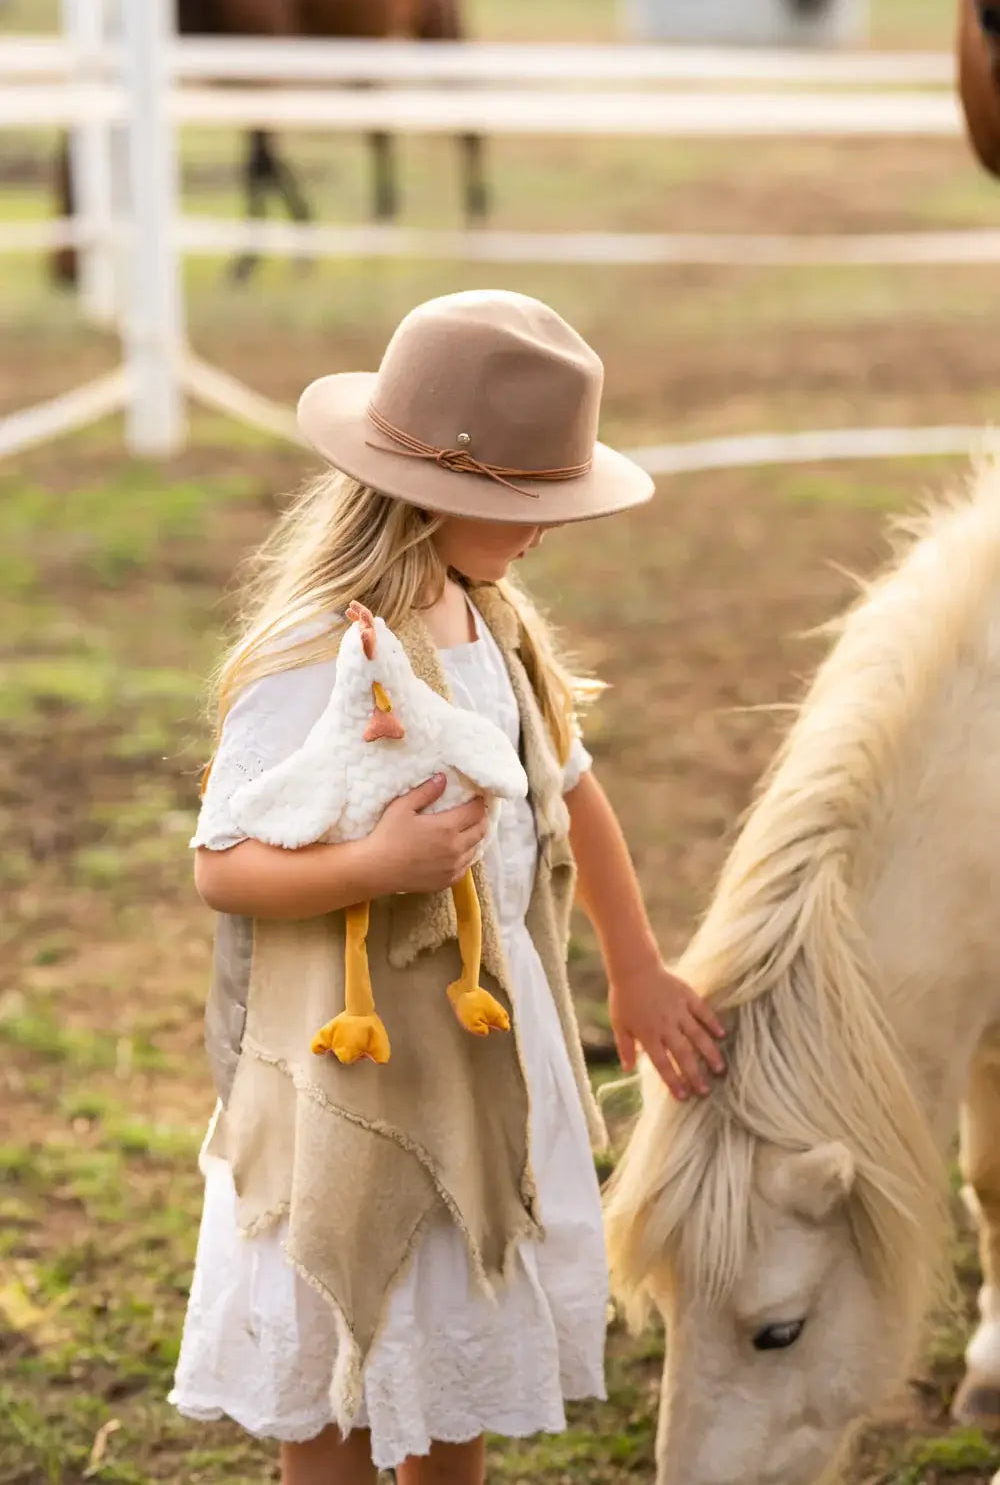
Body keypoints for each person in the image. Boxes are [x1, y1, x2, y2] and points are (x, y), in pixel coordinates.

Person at [169, 289, 726, 1485]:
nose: (545, 532)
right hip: (356, 1074)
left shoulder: (495, 629)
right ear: (440, 492)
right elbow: (222, 867)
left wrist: (634, 969)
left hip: (482, 1057)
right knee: (339, 1369)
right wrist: (376, 866)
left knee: (454, 1331)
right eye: (528, 505)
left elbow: (572, 792)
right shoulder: (318, 654)